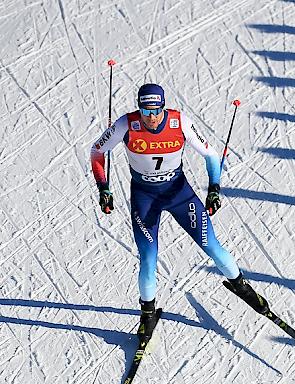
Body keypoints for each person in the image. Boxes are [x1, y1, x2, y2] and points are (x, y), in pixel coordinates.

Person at [90, 83, 269, 340]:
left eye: (156, 110)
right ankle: (147, 315)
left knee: (210, 244)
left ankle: (243, 288)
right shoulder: (126, 125)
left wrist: (214, 188)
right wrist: (103, 188)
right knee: (149, 259)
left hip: (180, 195)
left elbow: (210, 154)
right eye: (145, 111)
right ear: (139, 108)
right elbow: (97, 151)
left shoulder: (179, 122)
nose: (151, 117)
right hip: (145, 198)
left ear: (163, 106)